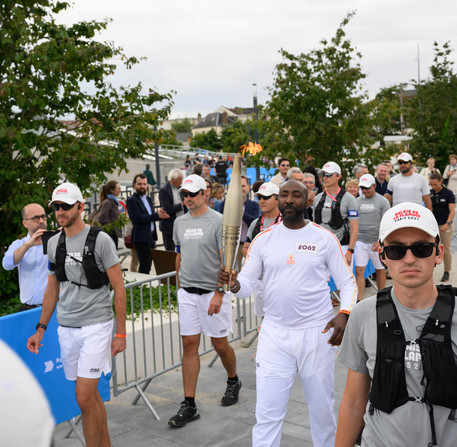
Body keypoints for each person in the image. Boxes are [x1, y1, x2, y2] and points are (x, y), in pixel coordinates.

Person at [219, 180, 357, 447]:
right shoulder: (263, 239)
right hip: (274, 335)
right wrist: (233, 282)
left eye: (297, 195)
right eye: (284, 195)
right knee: (268, 414)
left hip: (316, 335)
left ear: (308, 201)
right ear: (279, 201)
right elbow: (245, 285)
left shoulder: (324, 238)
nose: (289, 200)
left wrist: (344, 312)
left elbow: (348, 283)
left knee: (322, 412)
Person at [335, 202, 457, 447]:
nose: (409, 259)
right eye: (396, 251)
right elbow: (353, 401)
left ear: (438, 253)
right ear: (382, 256)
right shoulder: (363, 314)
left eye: (422, 248)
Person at [26, 182, 127, 447]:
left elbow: (119, 288)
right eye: (56, 206)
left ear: (80, 207)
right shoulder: (54, 243)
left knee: (83, 397)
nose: (60, 211)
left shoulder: (100, 240)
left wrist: (120, 333)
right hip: (67, 326)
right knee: (90, 397)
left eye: (66, 206)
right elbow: (52, 288)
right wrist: (41, 328)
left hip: (97, 324)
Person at [168, 174, 241, 427]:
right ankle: (189, 404)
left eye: (192, 194)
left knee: (220, 345)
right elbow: (179, 255)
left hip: (212, 291)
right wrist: (179, 287)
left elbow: (228, 260)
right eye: (184, 195)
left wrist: (220, 293)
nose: (187, 198)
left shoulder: (219, 221)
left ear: (204, 194)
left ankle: (233, 379)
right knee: (189, 345)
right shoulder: (179, 223)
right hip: (188, 292)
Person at [242, 182, 282, 317]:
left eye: (266, 197)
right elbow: (246, 247)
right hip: (260, 281)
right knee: (264, 321)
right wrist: (257, 257)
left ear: (277, 200)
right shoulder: (255, 223)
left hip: (281, 280)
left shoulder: (287, 222)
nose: (262, 201)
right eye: (260, 198)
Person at [2, 203, 48, 311]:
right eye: (36, 218)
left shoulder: (56, 241)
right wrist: (28, 245)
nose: (41, 221)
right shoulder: (19, 244)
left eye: (43, 216)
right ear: (25, 223)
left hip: (55, 308)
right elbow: (7, 265)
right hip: (28, 309)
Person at [314, 161, 359, 267]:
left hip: (341, 247)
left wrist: (350, 251)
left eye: (329, 175)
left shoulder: (349, 198)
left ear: (338, 176)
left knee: (345, 282)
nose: (325, 178)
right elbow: (315, 225)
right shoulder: (317, 198)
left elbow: (355, 227)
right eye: (323, 175)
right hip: (321, 247)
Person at [354, 174, 390, 300]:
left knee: (380, 270)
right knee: (359, 271)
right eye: (362, 188)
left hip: (376, 243)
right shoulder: (356, 201)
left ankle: (381, 297)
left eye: (367, 188)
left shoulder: (383, 201)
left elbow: (387, 223)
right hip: (360, 242)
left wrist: (380, 241)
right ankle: (359, 300)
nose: (364, 191)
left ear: (374, 186)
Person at [126, 174, 169, 274]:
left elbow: (150, 216)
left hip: (151, 236)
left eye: (144, 184)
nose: (142, 186)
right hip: (141, 238)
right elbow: (137, 219)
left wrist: (159, 215)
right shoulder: (132, 200)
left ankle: (144, 286)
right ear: (134, 185)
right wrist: (156, 216)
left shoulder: (148, 199)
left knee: (148, 264)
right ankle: (141, 287)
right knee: (145, 265)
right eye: (139, 184)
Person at [219, 175, 261, 269]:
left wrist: (241, 212)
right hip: (230, 246)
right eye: (237, 186)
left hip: (246, 245)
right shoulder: (225, 204)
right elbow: (221, 222)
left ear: (248, 187)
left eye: (242, 186)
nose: (240, 188)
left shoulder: (253, 205)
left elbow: (254, 223)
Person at [430, 173, 455, 282]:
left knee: (445, 249)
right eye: (431, 185)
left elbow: (452, 211)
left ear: (441, 181)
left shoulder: (448, 193)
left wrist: (447, 223)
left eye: (435, 184)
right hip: (432, 225)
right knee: (430, 248)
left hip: (445, 225)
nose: (433, 187)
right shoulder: (429, 193)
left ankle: (447, 271)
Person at [159, 169, 185, 251]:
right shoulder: (164, 190)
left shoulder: (181, 189)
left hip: (181, 224)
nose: (181, 182)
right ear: (172, 180)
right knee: (170, 251)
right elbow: (167, 208)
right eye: (179, 180)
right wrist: (181, 204)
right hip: (169, 226)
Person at [98, 180, 122, 249]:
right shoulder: (108, 202)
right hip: (110, 235)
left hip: (113, 234)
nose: (120, 190)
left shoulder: (113, 201)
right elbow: (103, 218)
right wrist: (112, 232)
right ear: (112, 190)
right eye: (118, 188)